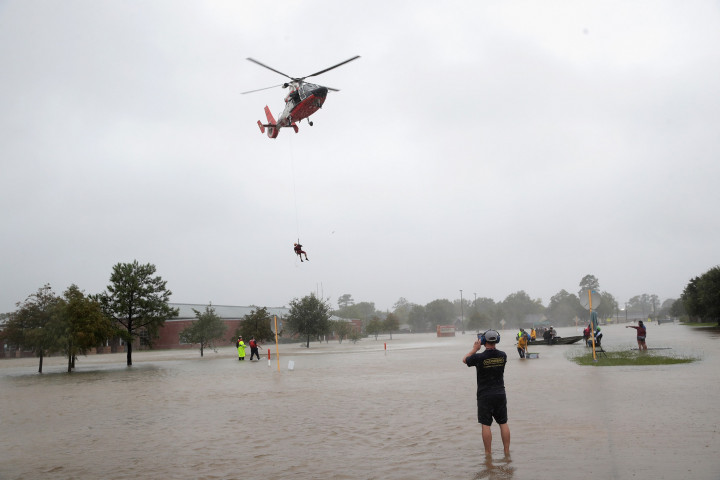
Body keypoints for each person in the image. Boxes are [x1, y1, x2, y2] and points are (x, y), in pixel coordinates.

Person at [463, 330, 510, 456]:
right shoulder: (503, 356)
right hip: (500, 394)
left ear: (484, 341)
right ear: (497, 341)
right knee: (503, 423)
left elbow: (465, 360)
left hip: (485, 395)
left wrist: (475, 349)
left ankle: (488, 454)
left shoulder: (479, 357)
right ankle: (506, 452)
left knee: (486, 424)